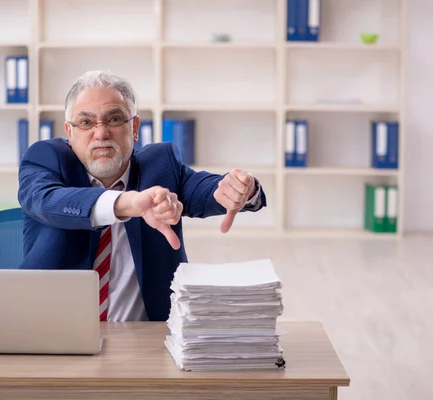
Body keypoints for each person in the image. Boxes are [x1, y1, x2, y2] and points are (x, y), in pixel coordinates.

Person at [17, 70, 267, 322]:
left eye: (114, 119)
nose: (101, 133)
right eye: (86, 122)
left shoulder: (160, 167)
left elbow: (210, 189)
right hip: (53, 334)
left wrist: (242, 189)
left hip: (145, 340)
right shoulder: (45, 160)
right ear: (69, 132)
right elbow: (46, 201)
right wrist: (127, 203)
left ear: (134, 128)